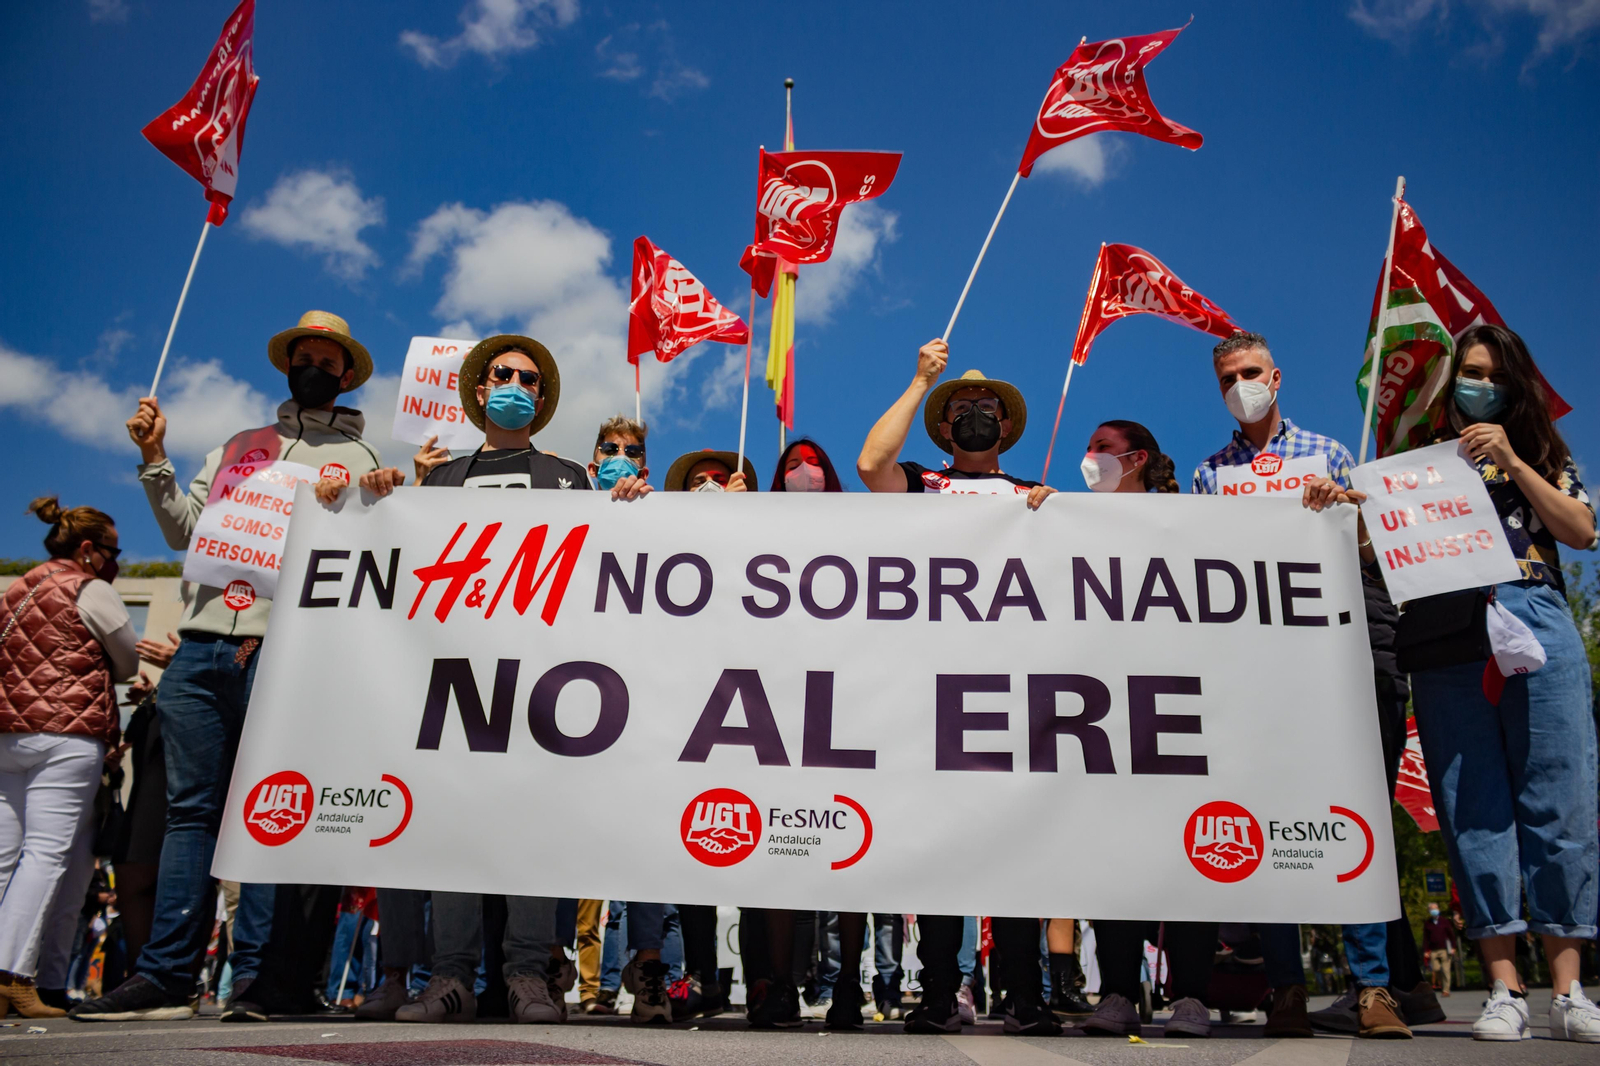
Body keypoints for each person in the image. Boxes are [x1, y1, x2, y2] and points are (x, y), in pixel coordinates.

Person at [71, 311, 387, 1023]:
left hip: (287, 650)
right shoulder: (239, 447)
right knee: (191, 815)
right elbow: (186, 529)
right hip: (201, 643)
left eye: (325, 359)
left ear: (345, 375)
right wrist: (156, 460)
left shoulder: (362, 459)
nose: (312, 365)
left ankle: (259, 982)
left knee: (274, 810)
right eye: (301, 355)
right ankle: (166, 976)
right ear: (288, 365)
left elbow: (372, 552)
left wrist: (378, 497)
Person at [1321, 325, 1599, 1042]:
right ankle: (1504, 987)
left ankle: (1569, 989)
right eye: (1470, 374)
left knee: (1557, 800)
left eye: (1494, 376)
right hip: (1446, 632)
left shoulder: (1543, 455)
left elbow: (1580, 529)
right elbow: (1373, 543)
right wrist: (1335, 507)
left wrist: (1511, 458)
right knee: (1472, 809)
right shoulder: (1418, 466)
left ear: (1516, 389)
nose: (1481, 386)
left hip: (1532, 617)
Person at [363, 335, 647, 1025]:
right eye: (503, 375)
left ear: (542, 402)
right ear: (480, 390)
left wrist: (636, 504)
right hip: (455, 673)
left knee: (531, 826)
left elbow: (606, 560)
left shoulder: (568, 478)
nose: (516, 384)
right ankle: (450, 978)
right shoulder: (442, 479)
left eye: (529, 379)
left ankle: (526, 974)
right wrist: (369, 496)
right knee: (454, 823)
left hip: (543, 677)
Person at [1194, 330, 1418, 1041]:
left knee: (1358, 818)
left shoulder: (1329, 453)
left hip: (1338, 660)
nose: (1241, 386)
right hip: (1257, 671)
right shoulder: (1211, 473)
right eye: (1229, 378)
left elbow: (1374, 551)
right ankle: (1285, 989)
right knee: (1265, 823)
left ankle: (1372, 989)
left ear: (1277, 376)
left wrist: (1343, 510)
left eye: (1251, 372)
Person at [857, 338, 1058, 1038]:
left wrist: (1055, 518)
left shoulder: (1033, 495)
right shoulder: (921, 483)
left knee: (1015, 848)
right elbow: (869, 465)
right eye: (963, 407)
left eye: (987, 408)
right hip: (931, 688)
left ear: (1006, 427)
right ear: (945, 427)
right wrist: (920, 383)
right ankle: (940, 991)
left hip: (1011, 688)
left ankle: (1024, 993)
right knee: (940, 846)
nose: (975, 414)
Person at [1059, 423, 1217, 1039]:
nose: (1090, 457)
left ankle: (1192, 997)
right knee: (1111, 852)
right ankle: (1119, 992)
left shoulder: (1181, 520)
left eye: (1101, 447)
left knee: (1185, 850)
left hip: (1173, 704)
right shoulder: (1072, 521)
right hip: (1098, 709)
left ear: (1136, 458)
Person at [0, 499, 137, 1018]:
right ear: (88, 548)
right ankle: (13, 974)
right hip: (68, 733)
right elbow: (124, 659)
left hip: (8, 733)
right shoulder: (90, 588)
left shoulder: (16, 587)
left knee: (4, 857)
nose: (114, 560)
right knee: (46, 855)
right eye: (112, 549)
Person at [589, 416, 650, 490]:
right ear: (592, 469)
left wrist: (645, 500)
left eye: (632, 452)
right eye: (610, 449)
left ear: (643, 474)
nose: (621, 455)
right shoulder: (575, 500)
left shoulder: (656, 501)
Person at [1422, 905, 1455, 996]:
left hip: (1445, 949)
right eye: (1432, 909)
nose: (1434, 910)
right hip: (1433, 950)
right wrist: (1425, 951)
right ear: (1429, 911)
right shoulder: (1428, 923)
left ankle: (1446, 990)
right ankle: (1440, 983)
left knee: (1446, 970)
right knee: (1436, 969)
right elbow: (1425, 938)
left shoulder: (1444, 921)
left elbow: (1451, 934)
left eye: (1435, 908)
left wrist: (1453, 947)